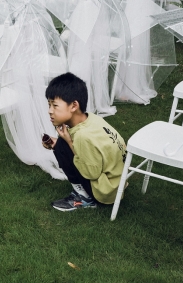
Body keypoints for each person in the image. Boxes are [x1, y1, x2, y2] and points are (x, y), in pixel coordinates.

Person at [44, 72, 127, 212]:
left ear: (74, 105)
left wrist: (68, 143)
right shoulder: (91, 118)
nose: (49, 111)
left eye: (55, 105)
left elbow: (91, 174)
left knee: (61, 147)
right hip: (118, 182)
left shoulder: (82, 136)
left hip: (107, 192)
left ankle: (84, 198)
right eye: (49, 105)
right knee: (61, 143)